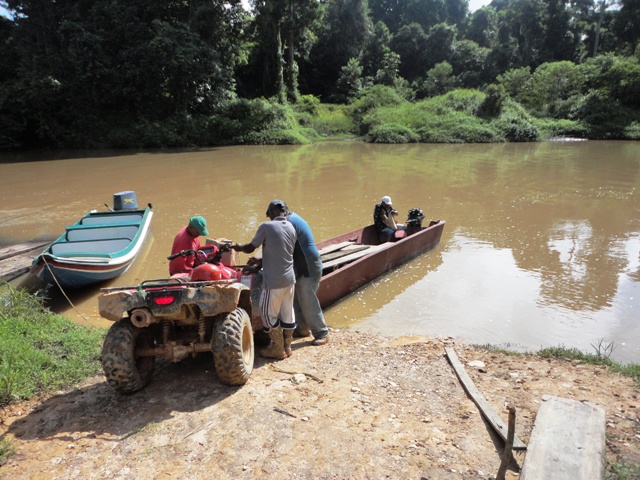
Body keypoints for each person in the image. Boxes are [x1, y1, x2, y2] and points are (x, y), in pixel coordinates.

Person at [233, 200, 297, 359]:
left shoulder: (266, 227)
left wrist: (237, 247)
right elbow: (279, 253)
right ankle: (288, 347)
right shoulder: (291, 227)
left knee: (268, 314)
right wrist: (258, 267)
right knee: (287, 313)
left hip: (274, 282)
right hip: (290, 279)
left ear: (272, 212)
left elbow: (250, 248)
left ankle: (277, 349)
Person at [285, 206, 330, 346]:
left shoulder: (289, 223)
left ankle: (322, 332)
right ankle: (302, 329)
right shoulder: (291, 219)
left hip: (308, 265)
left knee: (307, 300)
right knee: (296, 298)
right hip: (302, 264)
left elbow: (281, 248)